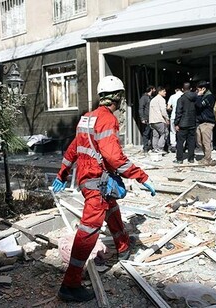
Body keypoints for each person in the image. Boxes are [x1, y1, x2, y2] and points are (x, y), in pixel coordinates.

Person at [52, 75, 156, 302]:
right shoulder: (107, 119)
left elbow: (73, 149)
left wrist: (63, 172)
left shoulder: (86, 118)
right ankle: (70, 284)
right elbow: (113, 156)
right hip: (97, 181)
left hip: (88, 180)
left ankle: (123, 246)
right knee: (89, 230)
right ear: (117, 97)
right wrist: (141, 176)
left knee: (111, 208)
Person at [174, 82, 197, 164]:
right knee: (191, 141)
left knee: (180, 142)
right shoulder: (195, 98)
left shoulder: (181, 99)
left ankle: (179, 159)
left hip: (183, 123)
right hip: (192, 122)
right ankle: (191, 158)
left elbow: (178, 112)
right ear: (191, 89)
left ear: (182, 89)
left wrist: (176, 123)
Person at [195, 81, 216, 165]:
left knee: (206, 142)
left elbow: (200, 105)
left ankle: (208, 159)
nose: (197, 91)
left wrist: (199, 96)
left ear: (203, 89)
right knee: (199, 141)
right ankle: (205, 157)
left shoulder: (209, 97)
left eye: (198, 89)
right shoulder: (203, 96)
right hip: (201, 122)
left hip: (208, 122)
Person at [149, 86, 169, 153]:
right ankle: (160, 148)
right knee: (165, 133)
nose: (165, 92)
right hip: (159, 119)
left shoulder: (153, 100)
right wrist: (167, 118)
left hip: (152, 120)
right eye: (164, 91)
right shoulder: (161, 99)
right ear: (159, 92)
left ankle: (155, 148)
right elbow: (163, 110)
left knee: (155, 135)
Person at [138, 85, 156, 153]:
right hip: (147, 118)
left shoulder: (151, 98)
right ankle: (145, 147)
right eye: (154, 89)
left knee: (152, 133)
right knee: (146, 133)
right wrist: (142, 118)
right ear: (151, 89)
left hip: (152, 118)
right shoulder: (144, 98)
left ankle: (151, 146)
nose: (155, 91)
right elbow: (141, 108)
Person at [167, 88, 183, 152]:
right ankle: (182, 146)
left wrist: (172, 109)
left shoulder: (172, 96)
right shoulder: (184, 96)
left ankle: (173, 146)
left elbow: (168, 107)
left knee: (173, 131)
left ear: (175, 90)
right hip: (182, 117)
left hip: (173, 116)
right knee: (182, 132)